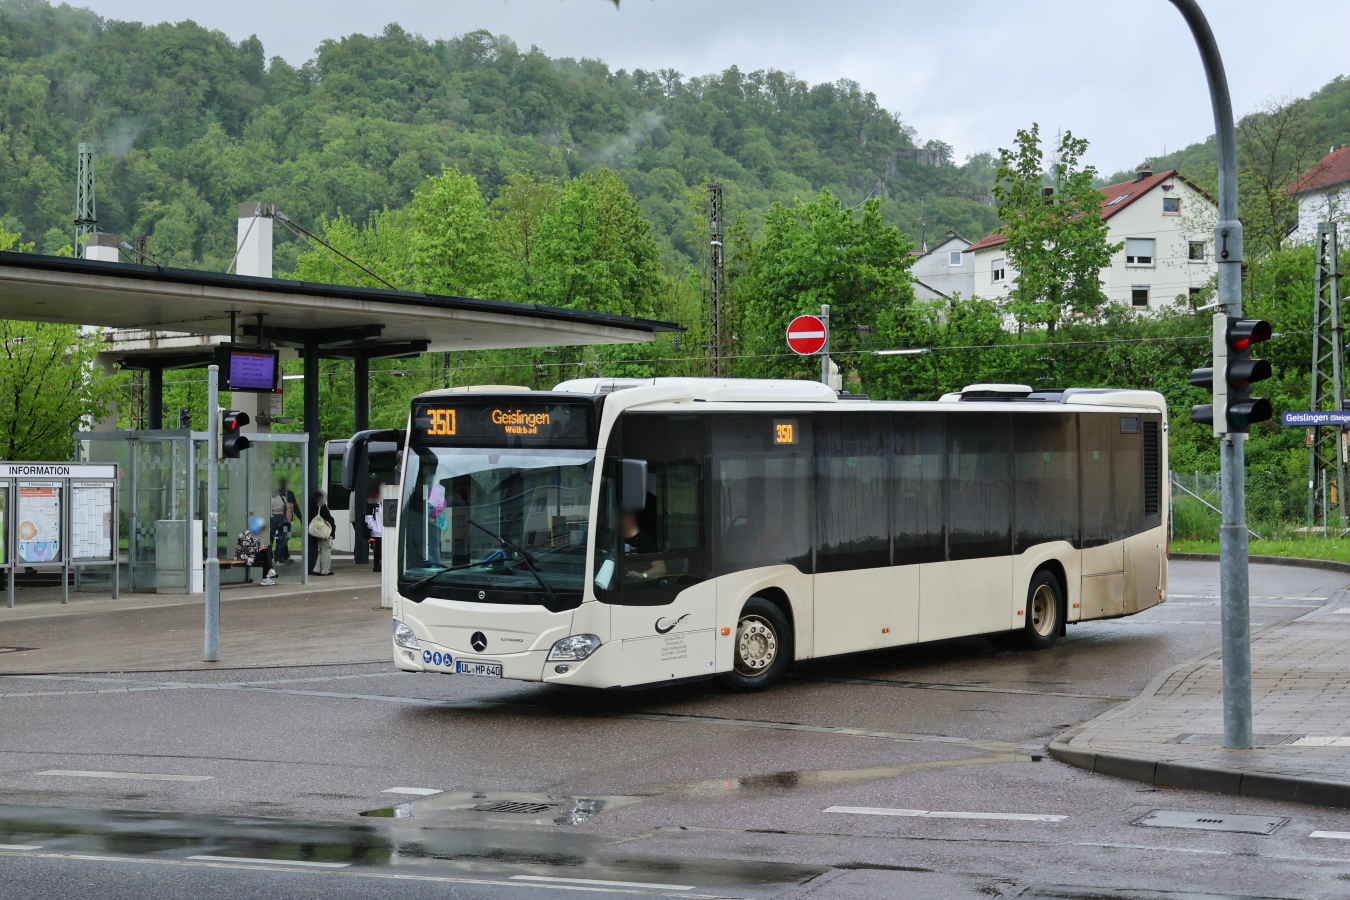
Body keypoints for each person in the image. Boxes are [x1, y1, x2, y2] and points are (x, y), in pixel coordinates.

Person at [236, 516, 277, 585]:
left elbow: (255, 547)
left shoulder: (255, 535)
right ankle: (267, 575)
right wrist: (260, 548)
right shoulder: (244, 535)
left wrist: (261, 547)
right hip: (245, 556)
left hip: (252, 554)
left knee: (267, 550)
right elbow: (247, 550)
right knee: (267, 556)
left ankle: (269, 572)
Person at [308, 491, 336, 576]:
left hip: (317, 532)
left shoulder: (312, 506)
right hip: (325, 533)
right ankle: (325, 570)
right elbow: (329, 519)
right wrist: (333, 531)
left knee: (321, 551)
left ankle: (317, 569)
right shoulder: (322, 507)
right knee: (326, 550)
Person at [271, 478, 297, 564]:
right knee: (281, 540)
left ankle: (267, 558)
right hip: (282, 519)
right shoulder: (283, 498)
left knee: (270, 540)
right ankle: (278, 560)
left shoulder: (268, 498)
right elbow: (289, 508)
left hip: (271, 519)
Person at [364, 487, 383, 573]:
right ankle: (377, 566)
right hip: (377, 533)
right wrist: (375, 528)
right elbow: (368, 517)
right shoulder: (373, 504)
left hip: (386, 532)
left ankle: (384, 565)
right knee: (378, 551)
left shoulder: (387, 503)